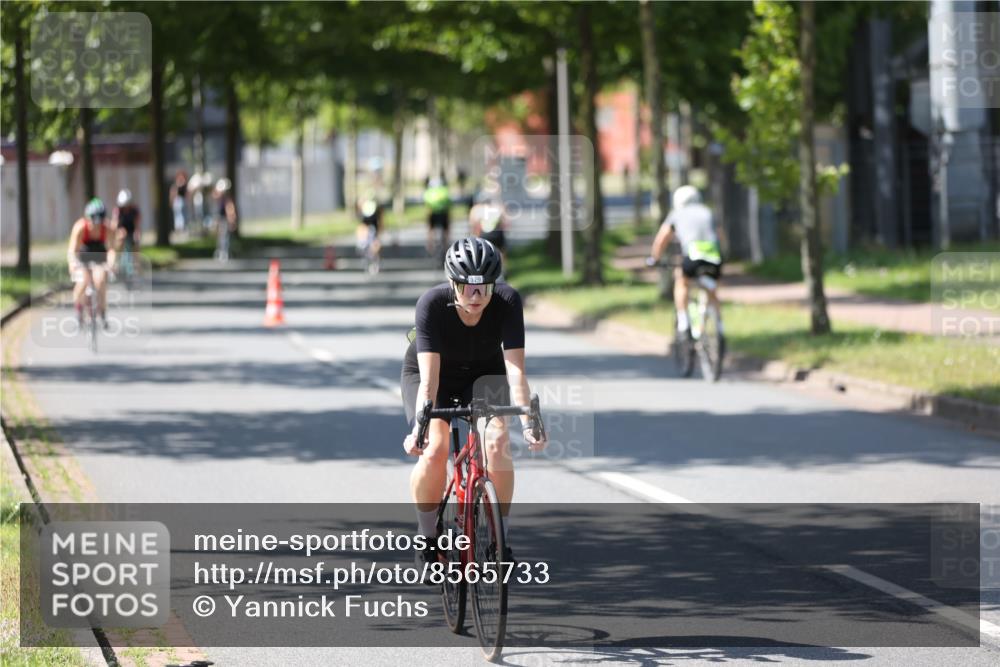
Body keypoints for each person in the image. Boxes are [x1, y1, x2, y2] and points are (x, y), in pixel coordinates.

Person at [401, 237, 546, 569]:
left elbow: (515, 370)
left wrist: (529, 422)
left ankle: (500, 541)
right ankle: (427, 538)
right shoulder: (431, 304)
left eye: (484, 288)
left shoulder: (508, 301)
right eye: (467, 287)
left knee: (496, 441)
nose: (476, 296)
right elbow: (429, 382)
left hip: (483, 374)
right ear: (452, 283)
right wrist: (419, 430)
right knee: (435, 449)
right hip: (432, 375)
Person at [647, 185, 726, 341]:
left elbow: (662, 238)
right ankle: (719, 327)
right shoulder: (708, 212)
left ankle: (683, 321)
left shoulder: (676, 214)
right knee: (711, 289)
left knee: (682, 281)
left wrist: (654, 258)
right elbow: (721, 236)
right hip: (714, 257)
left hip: (693, 256)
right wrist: (723, 254)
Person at [67, 198, 116, 328]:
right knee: (82, 283)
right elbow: (72, 250)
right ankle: (79, 310)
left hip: (100, 259)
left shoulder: (108, 229)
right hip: (82, 259)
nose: (95, 225)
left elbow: (111, 249)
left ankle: (103, 311)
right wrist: (72, 264)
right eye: (93, 220)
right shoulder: (80, 228)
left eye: (99, 221)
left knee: (100, 281)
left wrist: (111, 263)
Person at [468, 191, 508, 269]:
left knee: (482, 253)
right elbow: (505, 222)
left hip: (484, 234)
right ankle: (502, 269)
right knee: (501, 251)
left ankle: (483, 269)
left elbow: (473, 223)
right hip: (497, 233)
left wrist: (474, 234)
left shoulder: (476, 208)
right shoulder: (498, 207)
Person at [422, 176, 451, 254]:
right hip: (443, 214)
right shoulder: (445, 191)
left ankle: (430, 245)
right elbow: (449, 205)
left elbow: (427, 206)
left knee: (430, 229)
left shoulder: (429, 192)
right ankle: (446, 246)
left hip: (433, 214)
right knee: (446, 229)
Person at [111, 188, 141, 258]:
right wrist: (119, 231)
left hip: (131, 231)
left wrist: (136, 234)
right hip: (121, 231)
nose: (126, 208)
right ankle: (117, 259)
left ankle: (136, 261)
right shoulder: (117, 211)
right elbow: (114, 226)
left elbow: (137, 226)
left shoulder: (134, 211)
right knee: (120, 239)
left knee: (136, 242)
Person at [355, 191, 383, 266]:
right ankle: (368, 257)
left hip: (373, 229)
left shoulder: (377, 211)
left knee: (375, 244)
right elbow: (361, 226)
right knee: (365, 245)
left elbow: (380, 222)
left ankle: (374, 259)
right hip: (366, 230)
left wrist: (379, 233)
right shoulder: (362, 211)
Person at [213, 178, 238, 261]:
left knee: (225, 237)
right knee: (220, 237)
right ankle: (220, 251)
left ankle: (224, 252)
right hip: (220, 218)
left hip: (225, 219)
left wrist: (232, 219)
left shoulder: (227, 199)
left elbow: (230, 210)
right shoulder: (219, 199)